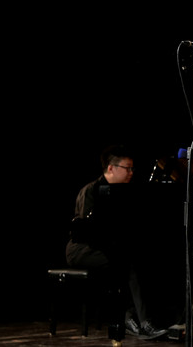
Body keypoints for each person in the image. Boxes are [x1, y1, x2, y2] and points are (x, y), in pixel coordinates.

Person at [65, 145, 168, 340]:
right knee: (126, 264)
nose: (131, 172)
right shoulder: (91, 191)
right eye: (127, 168)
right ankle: (141, 322)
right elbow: (84, 230)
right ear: (111, 168)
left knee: (140, 262)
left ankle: (136, 317)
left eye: (132, 168)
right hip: (83, 249)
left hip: (109, 247)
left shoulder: (126, 192)